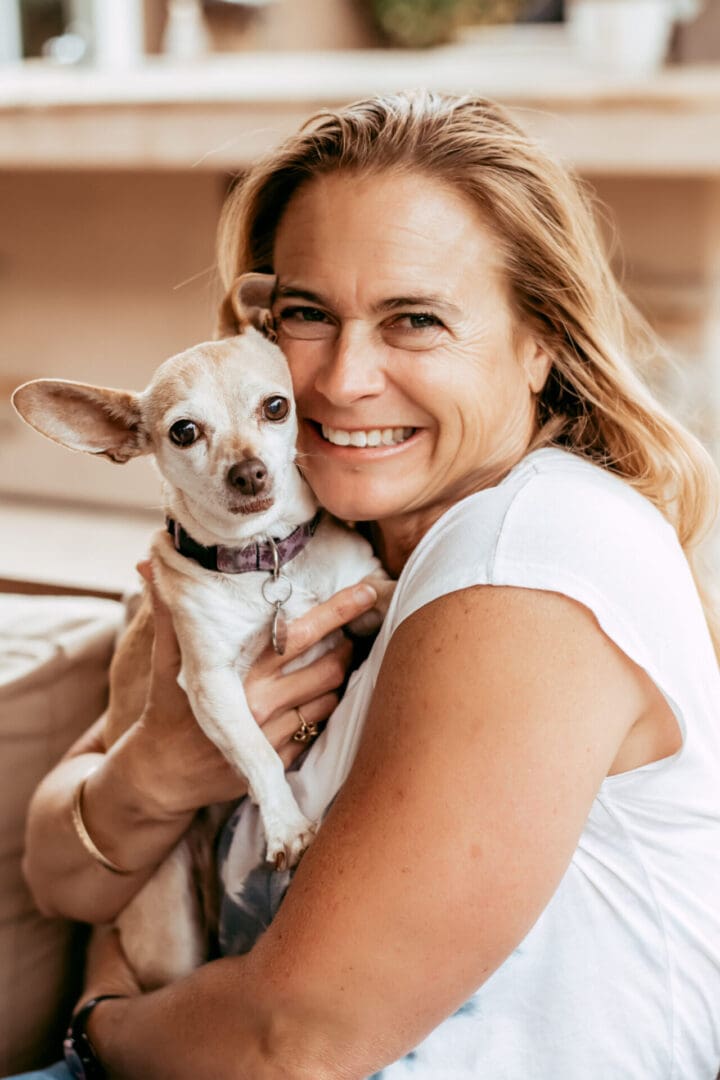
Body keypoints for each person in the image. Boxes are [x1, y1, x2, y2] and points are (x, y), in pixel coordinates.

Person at [10, 90, 720, 1079]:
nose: (342, 380)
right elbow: (56, 872)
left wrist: (98, 1028)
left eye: (414, 320)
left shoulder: (533, 549)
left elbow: (289, 1045)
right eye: (308, 313)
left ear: (540, 342)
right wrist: (167, 764)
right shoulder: (284, 545)